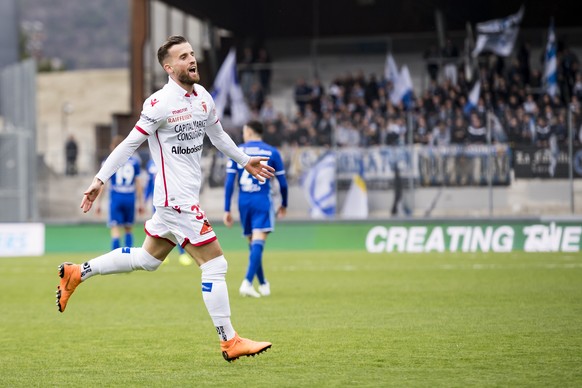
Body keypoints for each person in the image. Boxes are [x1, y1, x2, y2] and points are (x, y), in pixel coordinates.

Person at [55, 35, 274, 362]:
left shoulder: (203, 98)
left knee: (147, 260)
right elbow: (129, 144)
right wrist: (100, 179)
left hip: (176, 200)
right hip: (177, 202)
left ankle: (77, 273)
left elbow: (219, 137)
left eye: (192, 54)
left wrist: (245, 160)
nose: (192, 59)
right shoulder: (159, 104)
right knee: (216, 263)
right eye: (183, 57)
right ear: (169, 67)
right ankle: (230, 341)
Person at [223, 120, 288, 298]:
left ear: (249, 132)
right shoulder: (272, 152)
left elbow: (230, 182)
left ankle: (263, 282)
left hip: (244, 202)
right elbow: (282, 183)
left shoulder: (237, 151)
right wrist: (284, 204)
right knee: (258, 241)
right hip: (262, 200)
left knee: (253, 244)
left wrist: (227, 209)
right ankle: (247, 282)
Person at [96, 135, 144, 250]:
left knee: (115, 228)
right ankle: (128, 258)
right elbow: (138, 184)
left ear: (113, 147)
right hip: (130, 198)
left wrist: (98, 203)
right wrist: (141, 203)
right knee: (128, 228)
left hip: (116, 198)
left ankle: (115, 257)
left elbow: (103, 183)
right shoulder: (134, 162)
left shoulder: (108, 162)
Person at [144, 158, 193, 266]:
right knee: (160, 230)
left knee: (178, 228)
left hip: (172, 201)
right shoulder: (151, 164)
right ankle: (162, 255)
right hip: (158, 202)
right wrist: (145, 199)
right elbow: (148, 184)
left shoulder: (170, 160)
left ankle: (182, 254)